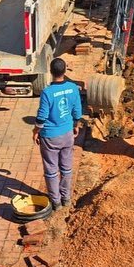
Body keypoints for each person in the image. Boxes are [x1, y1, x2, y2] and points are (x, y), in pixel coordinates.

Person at [32, 58, 82, 211]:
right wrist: (76, 125)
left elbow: (42, 116)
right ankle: (66, 198)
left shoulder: (47, 92)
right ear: (65, 70)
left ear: (51, 72)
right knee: (66, 168)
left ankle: (56, 202)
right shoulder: (73, 88)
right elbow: (77, 110)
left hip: (50, 137)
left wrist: (35, 131)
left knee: (51, 169)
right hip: (67, 134)